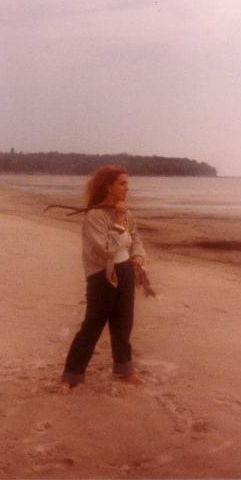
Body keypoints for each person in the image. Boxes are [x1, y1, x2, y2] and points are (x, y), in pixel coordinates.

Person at [60, 165, 146, 390]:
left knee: (123, 323)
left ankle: (124, 370)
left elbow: (136, 239)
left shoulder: (127, 213)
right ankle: (71, 376)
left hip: (125, 271)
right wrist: (118, 218)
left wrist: (137, 257)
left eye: (127, 183)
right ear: (109, 187)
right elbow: (106, 249)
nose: (127, 188)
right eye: (122, 184)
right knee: (92, 325)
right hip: (101, 275)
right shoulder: (94, 215)